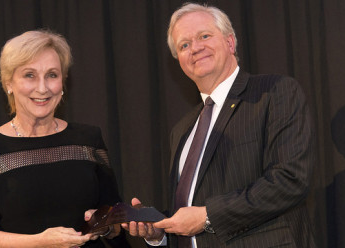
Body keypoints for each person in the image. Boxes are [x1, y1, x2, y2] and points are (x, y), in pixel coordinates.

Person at [122, 3, 316, 248]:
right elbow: (189, 213)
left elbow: (290, 180)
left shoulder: (274, 92)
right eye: (184, 45)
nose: (195, 48)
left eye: (204, 36)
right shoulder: (182, 131)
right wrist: (158, 232)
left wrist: (207, 216)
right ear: (179, 61)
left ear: (230, 42)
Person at [0, 30, 128, 248]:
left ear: (63, 82)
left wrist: (104, 224)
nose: (42, 88)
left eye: (52, 75)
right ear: (8, 83)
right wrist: (39, 242)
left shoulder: (89, 140)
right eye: (29, 75)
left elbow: (115, 220)